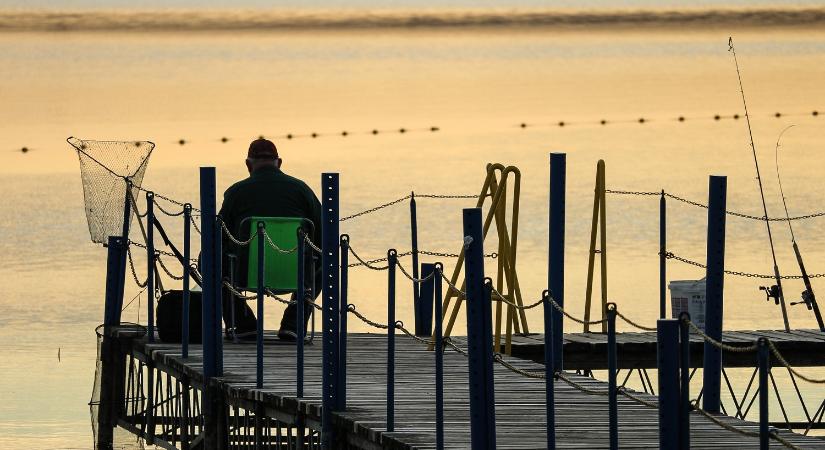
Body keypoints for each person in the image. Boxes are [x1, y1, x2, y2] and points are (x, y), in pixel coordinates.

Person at [219, 138, 322, 341]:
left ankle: (243, 324)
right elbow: (322, 234)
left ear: (248, 164)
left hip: (245, 273)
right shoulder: (301, 190)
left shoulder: (236, 192)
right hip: (295, 273)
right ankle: (294, 324)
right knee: (324, 260)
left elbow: (219, 236)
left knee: (208, 259)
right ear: (279, 162)